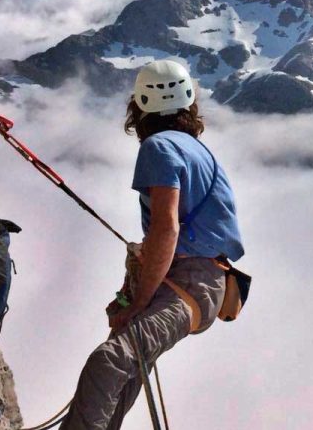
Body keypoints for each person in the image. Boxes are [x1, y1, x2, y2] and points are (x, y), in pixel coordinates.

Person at [61, 59, 245, 429]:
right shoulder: (195, 148)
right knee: (127, 368)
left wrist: (141, 298)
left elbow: (166, 229)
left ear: (139, 107)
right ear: (189, 104)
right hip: (204, 282)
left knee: (110, 361)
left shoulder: (159, 148)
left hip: (189, 280)